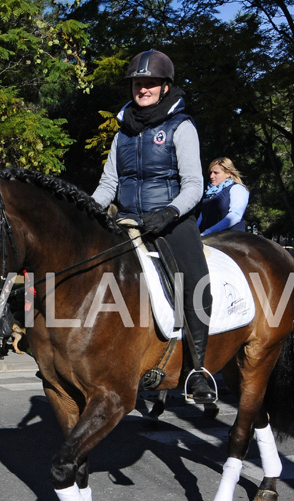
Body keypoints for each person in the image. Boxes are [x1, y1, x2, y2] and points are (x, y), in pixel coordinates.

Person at [91, 49, 215, 404]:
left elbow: (194, 184)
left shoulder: (181, 126)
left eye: (149, 84)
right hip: (128, 220)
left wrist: (170, 213)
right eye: (137, 84)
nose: (142, 89)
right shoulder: (123, 133)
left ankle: (198, 370)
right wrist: (87, 210)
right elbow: (107, 185)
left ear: (164, 87)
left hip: (171, 222)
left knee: (195, 283)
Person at [199, 157, 249, 235]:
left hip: (231, 239)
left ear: (228, 173)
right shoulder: (209, 192)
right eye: (210, 173)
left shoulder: (237, 189)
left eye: (216, 173)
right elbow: (201, 218)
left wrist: (209, 231)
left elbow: (235, 215)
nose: (211, 176)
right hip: (208, 237)